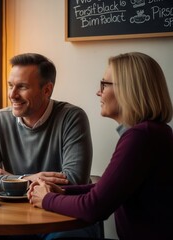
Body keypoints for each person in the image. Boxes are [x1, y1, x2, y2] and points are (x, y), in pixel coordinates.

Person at [28, 52, 173, 240]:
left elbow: (94, 207)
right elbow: (106, 190)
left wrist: (47, 199)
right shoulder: (153, 132)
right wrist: (63, 191)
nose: (99, 92)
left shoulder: (141, 137)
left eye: (104, 84)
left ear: (128, 89)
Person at [0, 53, 102, 239]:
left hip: (62, 219)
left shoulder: (72, 117)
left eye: (22, 87)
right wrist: (27, 178)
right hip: (14, 217)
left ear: (47, 90)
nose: (12, 95)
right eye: (10, 86)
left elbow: (73, 180)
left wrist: (11, 178)